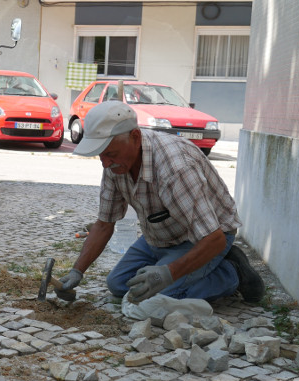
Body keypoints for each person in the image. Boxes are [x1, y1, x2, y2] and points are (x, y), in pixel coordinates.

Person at [59, 100, 264, 304]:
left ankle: (232, 273)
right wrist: (77, 271)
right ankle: (185, 266)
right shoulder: (115, 164)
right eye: (100, 155)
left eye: (110, 154)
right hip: (160, 236)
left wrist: (168, 273)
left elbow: (214, 239)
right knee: (118, 285)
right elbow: (104, 224)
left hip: (204, 238)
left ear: (135, 137)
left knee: (154, 298)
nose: (105, 163)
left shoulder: (176, 168)